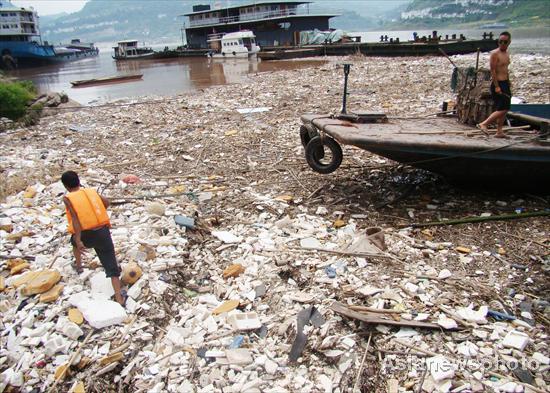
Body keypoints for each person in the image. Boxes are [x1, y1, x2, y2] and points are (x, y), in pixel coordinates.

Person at [61, 171, 125, 306]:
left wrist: (78, 240)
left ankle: (79, 266)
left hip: (86, 235)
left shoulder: (68, 198)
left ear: (66, 186)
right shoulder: (91, 192)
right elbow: (106, 203)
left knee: (73, 241)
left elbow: (75, 219)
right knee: (111, 264)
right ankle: (119, 297)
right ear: (79, 181)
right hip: (102, 232)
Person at [478, 32, 512, 138]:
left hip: (505, 83)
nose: (502, 43)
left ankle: (499, 131)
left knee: (503, 109)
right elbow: (492, 71)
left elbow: (505, 69)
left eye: (504, 42)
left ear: (509, 42)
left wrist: (508, 81)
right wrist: (497, 86)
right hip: (498, 83)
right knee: (503, 108)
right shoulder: (495, 54)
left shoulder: (507, 54)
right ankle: (484, 124)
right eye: (500, 41)